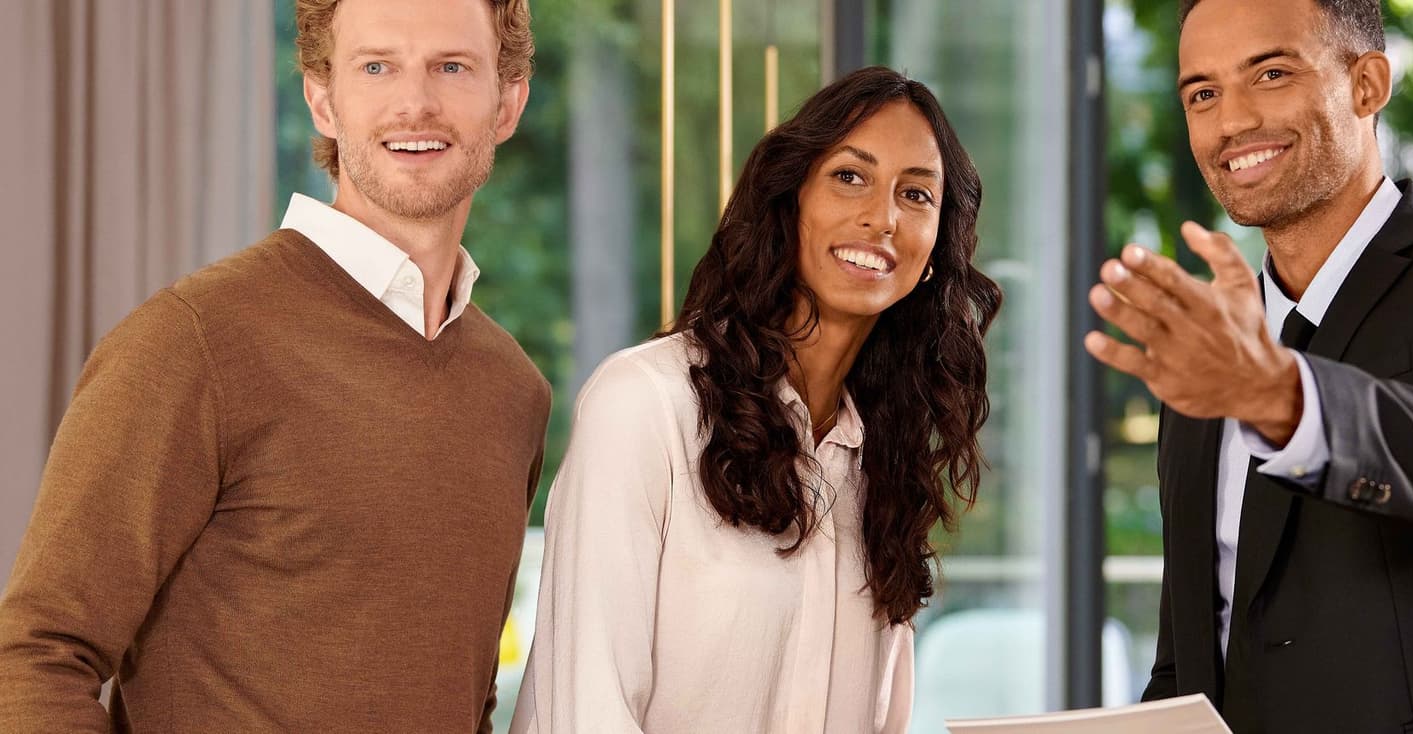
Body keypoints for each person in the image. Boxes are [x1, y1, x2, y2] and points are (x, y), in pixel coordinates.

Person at [0, 0, 549, 730]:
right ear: (322, 98)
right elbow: (33, 659)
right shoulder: (193, 342)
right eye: (377, 66)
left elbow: (462, 700)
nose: (415, 103)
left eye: (451, 67)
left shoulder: (512, 393)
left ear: (508, 102)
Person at [1085, 0, 1413, 730]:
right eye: (1202, 93)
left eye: (1270, 73)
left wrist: (1282, 398)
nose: (1231, 121)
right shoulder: (1214, 355)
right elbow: (1192, 659)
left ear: (1367, 84)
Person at [510, 66, 1003, 734]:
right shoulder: (647, 406)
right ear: (789, 197)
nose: (881, 217)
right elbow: (585, 711)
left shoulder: (880, 464)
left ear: (934, 250)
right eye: (850, 177)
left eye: (915, 194)